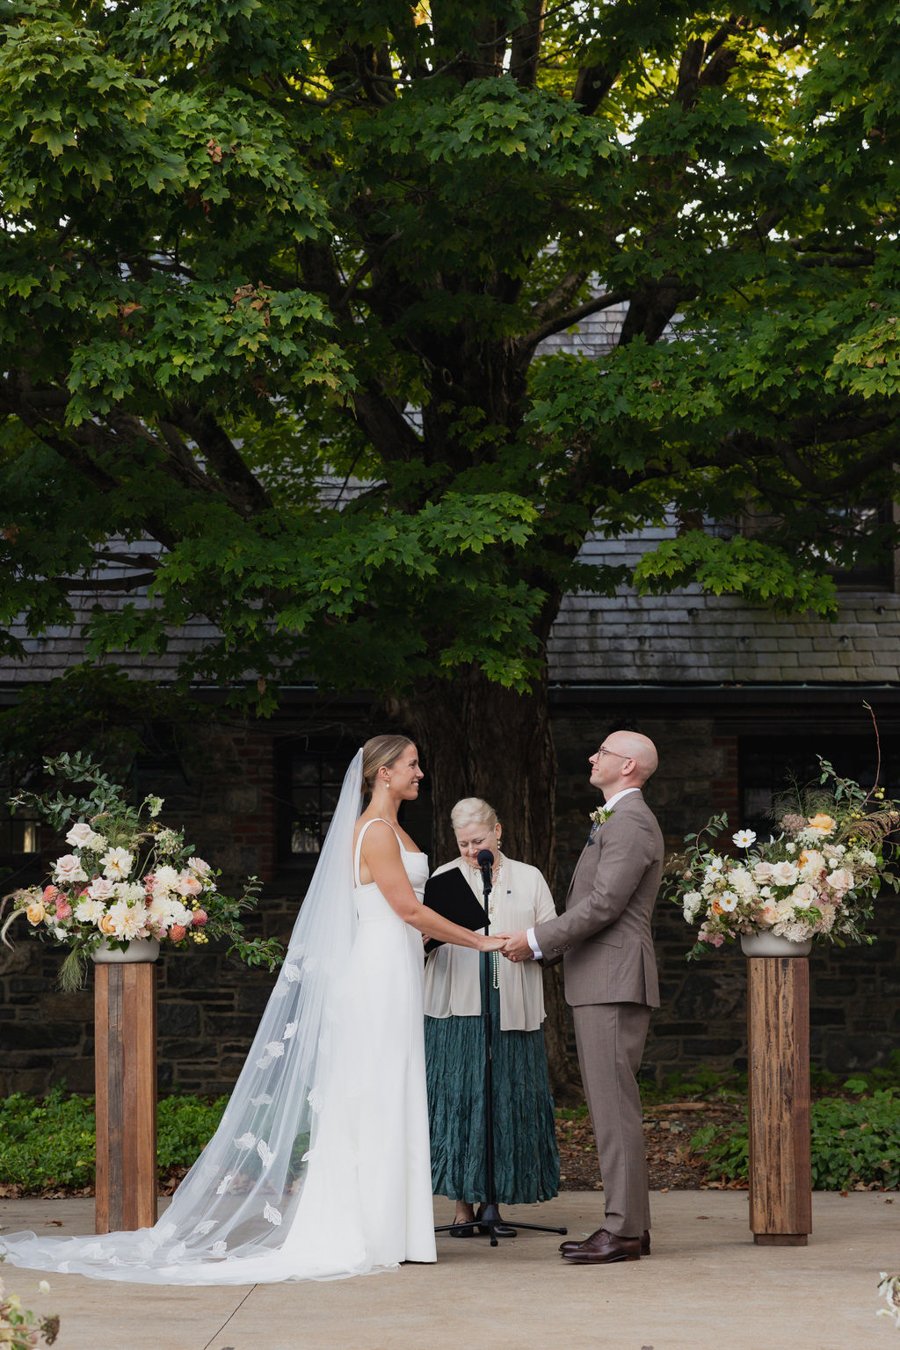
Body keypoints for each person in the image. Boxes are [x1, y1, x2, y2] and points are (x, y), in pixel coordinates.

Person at [0, 735, 506, 1285]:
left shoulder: (396, 829)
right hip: (379, 972)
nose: (420, 773)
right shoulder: (378, 832)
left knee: (393, 1085)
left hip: (399, 968)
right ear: (383, 773)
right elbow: (406, 908)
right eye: (411, 765)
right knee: (375, 1089)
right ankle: (368, 1228)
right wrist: (476, 940)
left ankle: (396, 1228)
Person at [502, 729, 663, 1265]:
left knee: (615, 1110)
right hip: (603, 978)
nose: (592, 756)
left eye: (603, 752)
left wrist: (533, 940)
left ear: (629, 767)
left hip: (614, 980)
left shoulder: (632, 822)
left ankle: (622, 1231)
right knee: (612, 1108)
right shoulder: (618, 820)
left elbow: (604, 905)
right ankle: (629, 1229)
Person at [424, 797, 560, 1236]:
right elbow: (421, 941)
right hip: (456, 1004)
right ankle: (461, 1204)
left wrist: (529, 943)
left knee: (505, 1096)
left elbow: (554, 937)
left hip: (514, 1002)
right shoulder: (444, 878)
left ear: (498, 832)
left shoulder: (529, 877)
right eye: (462, 842)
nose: (469, 850)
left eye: (477, 840)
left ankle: (493, 1200)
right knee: (459, 1098)